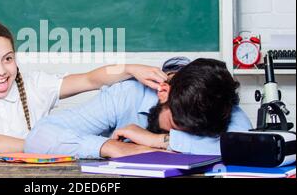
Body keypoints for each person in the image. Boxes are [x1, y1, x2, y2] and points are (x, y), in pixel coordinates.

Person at [0, 20, 168, 154]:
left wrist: (131, 69)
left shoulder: (35, 85)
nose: (1, 71)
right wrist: (49, 143)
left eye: (8, 59)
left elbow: (91, 79)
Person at [24, 58, 253, 158]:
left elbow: (248, 147)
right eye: (175, 125)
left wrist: (158, 140)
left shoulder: (215, 99)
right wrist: (108, 147)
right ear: (163, 93)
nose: (180, 134)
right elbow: (38, 137)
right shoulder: (127, 95)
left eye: (196, 135)